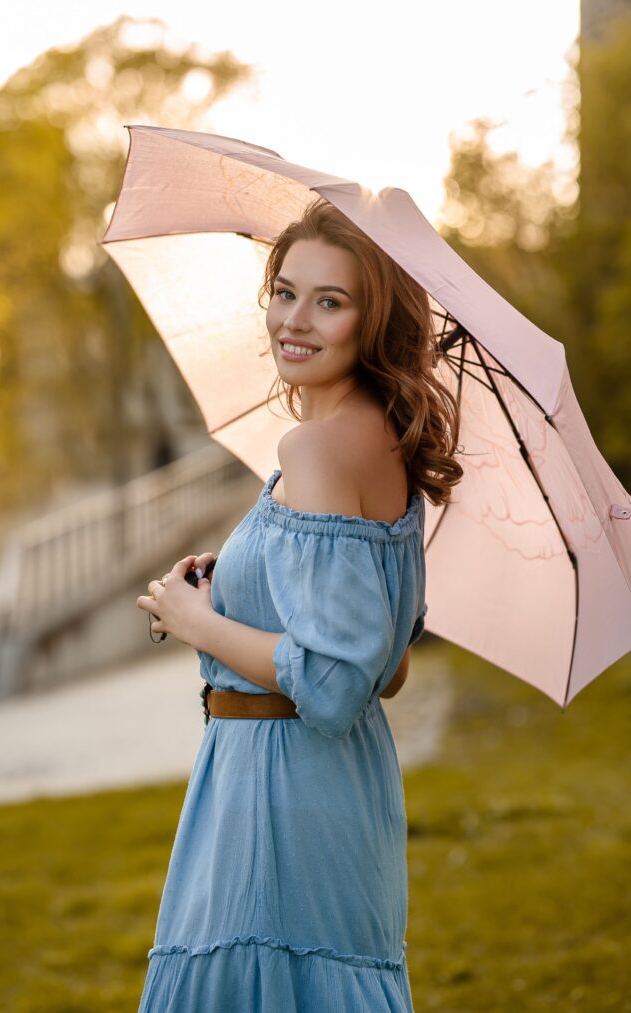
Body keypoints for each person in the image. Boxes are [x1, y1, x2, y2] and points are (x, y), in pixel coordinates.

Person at [135, 197, 463, 1012]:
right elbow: (386, 668)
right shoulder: (380, 442)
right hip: (338, 783)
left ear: (372, 321)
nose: (296, 320)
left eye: (331, 301)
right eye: (285, 291)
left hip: (278, 788)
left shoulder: (314, 447)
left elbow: (335, 682)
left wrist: (195, 621)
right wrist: (239, 586)